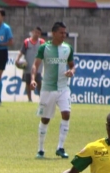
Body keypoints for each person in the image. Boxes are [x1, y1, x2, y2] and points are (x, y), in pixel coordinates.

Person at [31, 22, 75, 160]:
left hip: (63, 88)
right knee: (45, 119)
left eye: (65, 33)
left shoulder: (68, 48)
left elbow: (72, 65)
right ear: (54, 33)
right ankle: (40, 149)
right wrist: (32, 79)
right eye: (61, 32)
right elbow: (35, 65)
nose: (64, 35)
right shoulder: (44, 48)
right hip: (48, 89)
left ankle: (60, 148)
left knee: (66, 114)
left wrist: (71, 71)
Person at [14, 27, 45, 103]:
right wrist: (17, 59)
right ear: (33, 32)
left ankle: (41, 98)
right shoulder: (27, 42)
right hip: (28, 66)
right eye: (36, 32)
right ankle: (29, 99)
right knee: (28, 83)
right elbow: (22, 51)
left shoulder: (41, 42)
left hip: (38, 67)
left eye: (38, 33)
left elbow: (46, 52)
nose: (37, 34)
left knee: (39, 82)